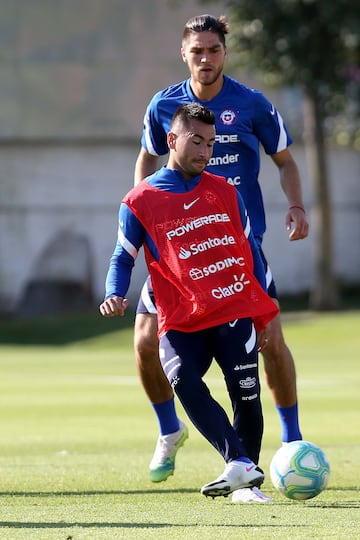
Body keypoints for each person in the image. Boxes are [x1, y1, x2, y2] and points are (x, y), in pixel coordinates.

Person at [132, 13, 309, 503]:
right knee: (145, 339)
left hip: (237, 251)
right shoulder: (164, 106)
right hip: (178, 253)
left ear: (224, 52)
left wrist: (296, 206)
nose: (205, 58)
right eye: (197, 51)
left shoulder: (252, 104)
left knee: (271, 341)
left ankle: (291, 443)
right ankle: (170, 430)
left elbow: (285, 160)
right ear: (184, 54)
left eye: (213, 50)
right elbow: (147, 159)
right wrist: (142, 211)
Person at [100, 102, 279, 499]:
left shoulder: (225, 192)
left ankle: (244, 480)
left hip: (233, 310)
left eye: (211, 144)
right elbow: (122, 256)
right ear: (172, 140)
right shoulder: (139, 199)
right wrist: (114, 292)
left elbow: (251, 254)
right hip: (181, 316)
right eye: (196, 141)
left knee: (245, 394)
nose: (204, 151)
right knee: (182, 379)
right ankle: (241, 464)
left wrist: (264, 313)